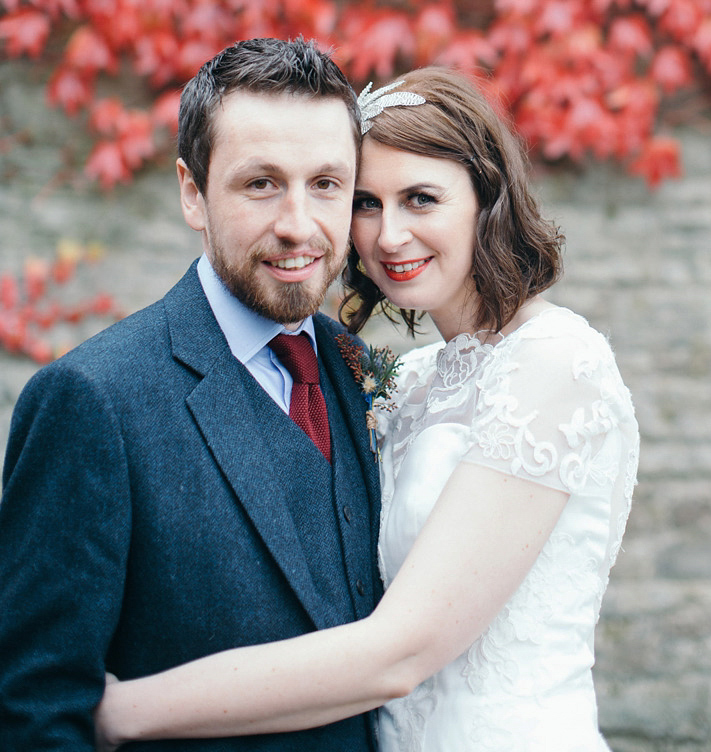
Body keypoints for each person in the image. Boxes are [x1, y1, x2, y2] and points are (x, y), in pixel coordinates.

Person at [96, 66, 640, 752]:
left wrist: (123, 711)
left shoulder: (556, 362)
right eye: (365, 202)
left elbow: (399, 651)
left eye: (421, 199)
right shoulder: (398, 379)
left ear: (486, 198)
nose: (388, 236)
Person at [0, 37, 382, 752]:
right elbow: (35, 711)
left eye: (326, 183)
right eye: (261, 183)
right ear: (191, 192)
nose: (299, 224)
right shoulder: (91, 402)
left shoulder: (361, 370)